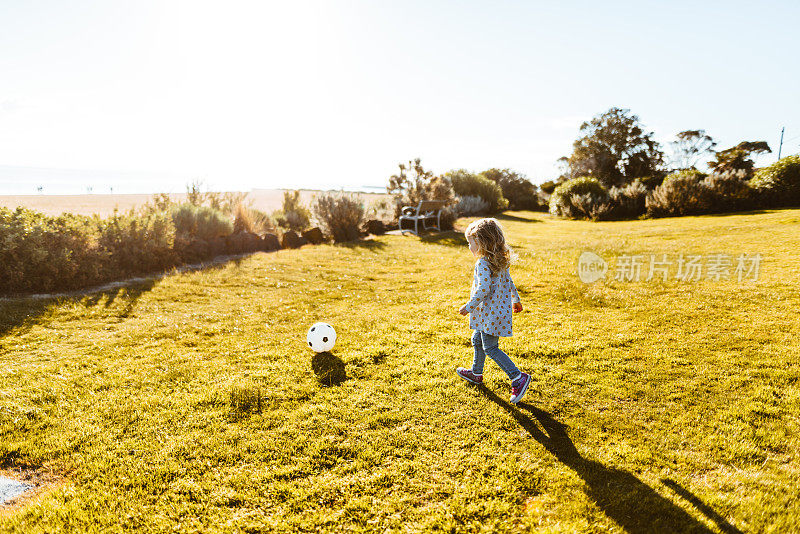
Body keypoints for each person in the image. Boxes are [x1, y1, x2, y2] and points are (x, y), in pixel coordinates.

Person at [457, 218, 531, 404]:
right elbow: (510, 282)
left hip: (488, 313)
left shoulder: (482, 263)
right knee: (477, 339)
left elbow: (483, 289)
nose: (469, 246)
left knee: (490, 347)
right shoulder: (498, 260)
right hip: (497, 311)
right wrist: (516, 300)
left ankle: (517, 377)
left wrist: (468, 306)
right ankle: (476, 373)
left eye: (470, 242)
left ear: (481, 243)